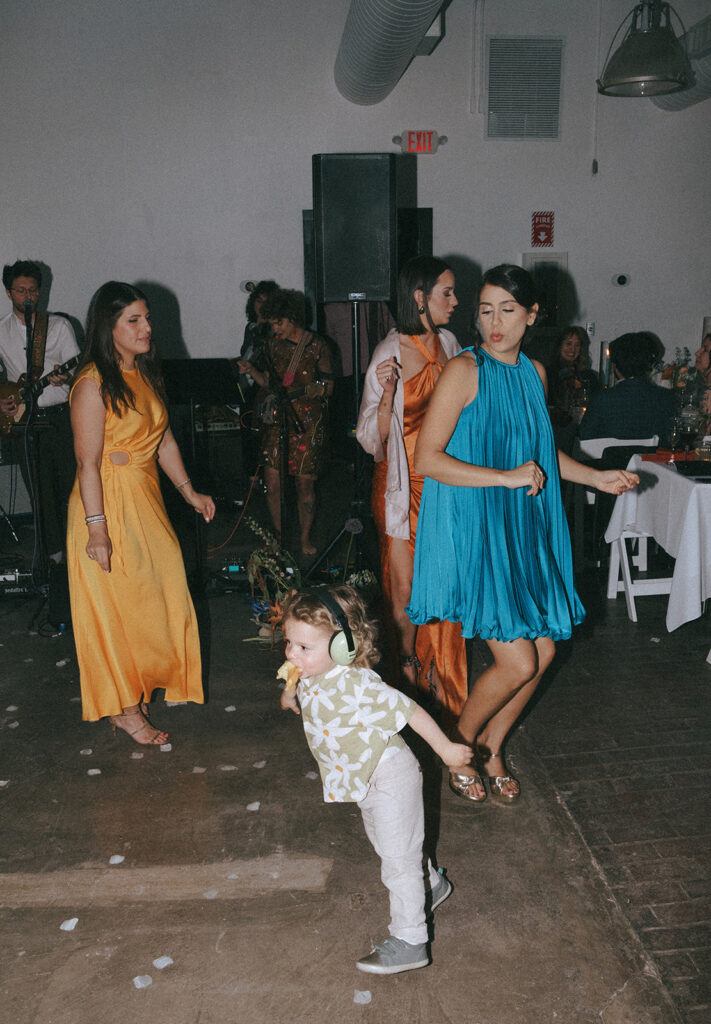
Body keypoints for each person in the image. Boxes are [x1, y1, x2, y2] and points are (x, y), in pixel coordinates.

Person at [407, 265, 638, 804]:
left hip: (521, 528)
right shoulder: (464, 370)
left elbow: (538, 453)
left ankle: (492, 745)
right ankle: (456, 747)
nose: (494, 322)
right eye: (485, 309)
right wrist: (505, 477)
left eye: (508, 310)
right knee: (519, 661)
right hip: (478, 529)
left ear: (532, 316)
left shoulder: (534, 373)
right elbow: (428, 458)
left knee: (545, 654)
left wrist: (596, 477)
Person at [279, 585, 472, 974]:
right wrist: (289, 692)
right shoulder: (311, 667)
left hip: (389, 779)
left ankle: (411, 940)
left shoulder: (358, 684)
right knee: (390, 847)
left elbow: (410, 710)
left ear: (342, 647)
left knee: (397, 863)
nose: (292, 654)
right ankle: (431, 885)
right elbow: (293, 674)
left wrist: (446, 750)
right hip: (362, 780)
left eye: (303, 647)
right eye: (288, 642)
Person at [67, 282, 215, 744]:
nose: (147, 327)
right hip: (104, 505)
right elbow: (87, 463)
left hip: (145, 502)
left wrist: (189, 491)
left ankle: (134, 688)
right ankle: (126, 710)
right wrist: (97, 531)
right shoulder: (92, 383)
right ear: (108, 327)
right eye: (134, 320)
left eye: (147, 318)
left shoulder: (144, 374)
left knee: (163, 589)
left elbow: (163, 438)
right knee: (117, 607)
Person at [356, 256, 468, 718]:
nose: (456, 301)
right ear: (420, 298)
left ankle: (444, 683)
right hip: (401, 488)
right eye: (447, 293)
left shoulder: (451, 343)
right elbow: (369, 439)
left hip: (446, 483)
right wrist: (385, 400)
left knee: (445, 586)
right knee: (403, 592)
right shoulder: (389, 353)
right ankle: (406, 679)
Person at [237, 288, 333, 556]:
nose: (275, 328)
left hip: (307, 421)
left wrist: (308, 391)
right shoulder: (271, 344)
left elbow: (329, 387)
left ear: (292, 317)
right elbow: (268, 382)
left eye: (278, 322)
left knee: (305, 484)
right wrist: (251, 370)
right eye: (272, 323)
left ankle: (304, 539)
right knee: (273, 483)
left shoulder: (317, 345)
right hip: (276, 420)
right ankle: (277, 538)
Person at [0, 260, 79, 561]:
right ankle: (53, 561)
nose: (27, 296)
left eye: (32, 290)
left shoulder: (58, 326)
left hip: (59, 418)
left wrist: (66, 376)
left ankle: (79, 553)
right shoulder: (1, 331)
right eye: (20, 290)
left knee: (70, 490)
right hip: (23, 423)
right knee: (40, 494)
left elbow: (78, 372)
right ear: (9, 293)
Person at [579, 332, 677, 447]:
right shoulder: (666, 397)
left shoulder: (601, 399)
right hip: (651, 463)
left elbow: (585, 439)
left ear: (615, 366)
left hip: (610, 463)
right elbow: (671, 440)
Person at [236, 280, 279, 479]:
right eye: (258, 301)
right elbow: (246, 352)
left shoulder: (276, 329)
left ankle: (265, 473)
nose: (260, 305)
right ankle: (251, 475)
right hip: (249, 385)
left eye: (266, 301)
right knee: (247, 428)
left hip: (266, 386)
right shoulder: (251, 327)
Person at [546, 325, 600, 450]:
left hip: (583, 433)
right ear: (560, 346)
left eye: (577, 345)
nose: (572, 349)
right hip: (557, 432)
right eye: (568, 344)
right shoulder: (548, 373)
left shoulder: (589, 376)